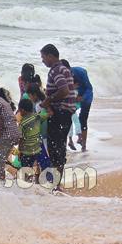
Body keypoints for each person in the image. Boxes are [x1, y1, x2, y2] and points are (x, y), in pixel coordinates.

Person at [40, 44, 77, 186]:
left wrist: (47, 100)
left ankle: (55, 185)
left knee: (55, 149)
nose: (43, 60)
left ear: (50, 55)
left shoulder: (56, 70)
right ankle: (56, 184)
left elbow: (64, 91)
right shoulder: (64, 69)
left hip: (60, 113)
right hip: (65, 113)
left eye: (43, 57)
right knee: (59, 148)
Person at [69, 64, 94, 152]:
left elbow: (89, 88)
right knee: (68, 117)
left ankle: (83, 146)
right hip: (74, 96)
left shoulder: (80, 72)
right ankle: (70, 141)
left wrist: (82, 97)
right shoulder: (62, 74)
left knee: (83, 119)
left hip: (87, 96)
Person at [17, 98, 42, 182]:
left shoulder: (22, 123)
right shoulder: (37, 117)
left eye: (19, 110)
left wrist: (19, 150)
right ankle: (37, 181)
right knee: (36, 165)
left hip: (26, 151)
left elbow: (21, 139)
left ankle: (27, 183)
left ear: (23, 110)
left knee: (26, 169)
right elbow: (47, 115)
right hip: (37, 148)